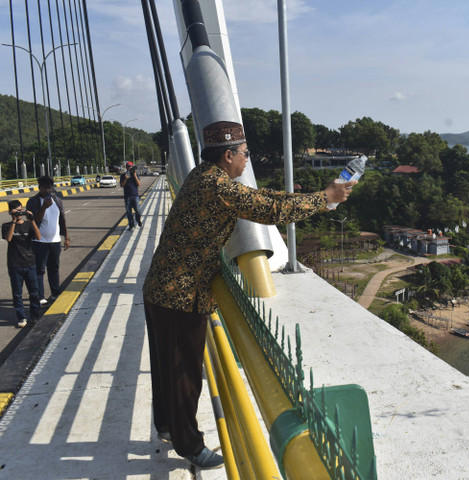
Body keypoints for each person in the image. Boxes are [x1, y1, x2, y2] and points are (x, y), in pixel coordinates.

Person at [142, 121, 355, 469]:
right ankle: (190, 445)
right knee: (184, 373)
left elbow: (264, 198)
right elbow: (270, 211)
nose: (246, 160)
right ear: (228, 156)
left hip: (161, 288)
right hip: (181, 294)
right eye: (244, 154)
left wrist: (320, 198)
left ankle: (167, 425)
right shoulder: (217, 186)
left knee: (166, 366)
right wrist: (325, 198)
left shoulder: (203, 177)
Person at [27, 176, 70, 304]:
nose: (48, 190)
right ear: (39, 188)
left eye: (50, 188)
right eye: (45, 187)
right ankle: (40, 297)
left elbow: (62, 220)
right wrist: (44, 207)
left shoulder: (57, 200)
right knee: (39, 270)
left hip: (55, 241)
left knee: (54, 268)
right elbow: (34, 221)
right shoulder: (33, 201)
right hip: (39, 242)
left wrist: (66, 237)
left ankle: (55, 293)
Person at [1, 200, 42, 328]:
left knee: (34, 292)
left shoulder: (29, 224)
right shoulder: (6, 226)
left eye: (20, 210)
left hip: (30, 263)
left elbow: (39, 237)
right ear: (10, 212)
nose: (19, 213)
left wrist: (33, 220)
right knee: (17, 293)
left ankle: (35, 315)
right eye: (15, 211)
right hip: (15, 264)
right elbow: (8, 239)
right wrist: (14, 221)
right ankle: (21, 317)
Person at [120, 161, 141, 230]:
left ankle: (138, 220)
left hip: (135, 196)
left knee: (138, 211)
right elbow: (122, 185)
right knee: (129, 212)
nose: (129, 168)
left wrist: (134, 175)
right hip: (127, 196)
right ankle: (131, 225)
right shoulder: (123, 175)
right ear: (126, 167)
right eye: (128, 166)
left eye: (130, 166)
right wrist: (126, 178)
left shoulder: (135, 174)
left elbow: (138, 184)